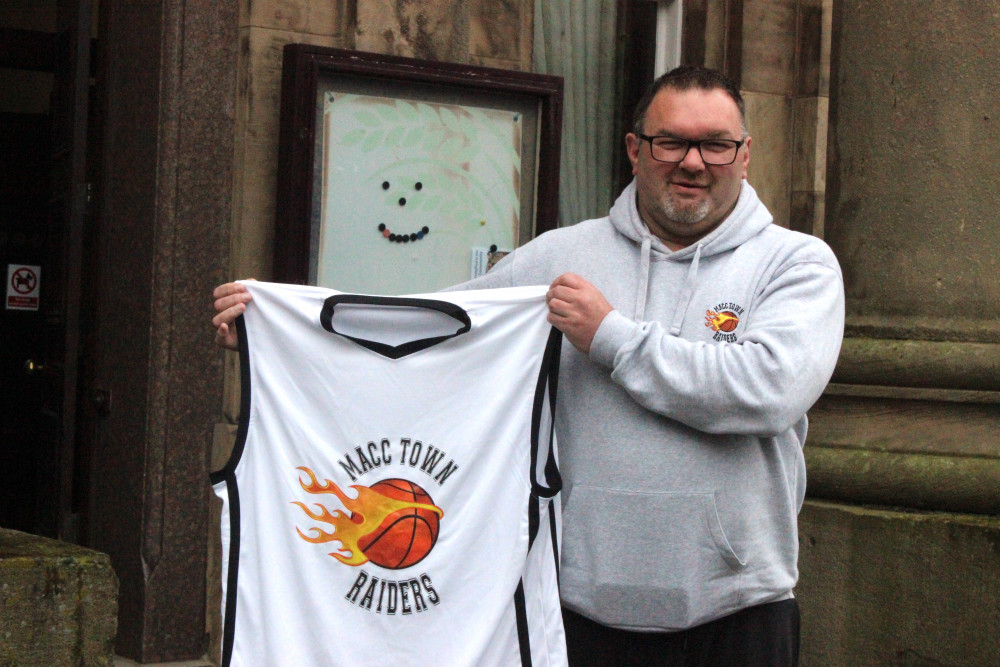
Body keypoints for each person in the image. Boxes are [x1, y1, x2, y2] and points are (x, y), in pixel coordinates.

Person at [213, 66, 844, 666]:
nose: (692, 162)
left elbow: (770, 389)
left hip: (736, 616)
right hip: (577, 611)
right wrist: (280, 334)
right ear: (634, 148)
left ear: (745, 153)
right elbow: (428, 333)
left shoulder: (795, 264)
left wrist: (611, 337)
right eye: (670, 142)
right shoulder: (558, 258)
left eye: (715, 145)